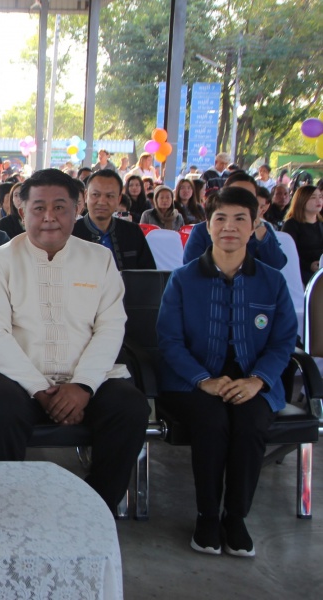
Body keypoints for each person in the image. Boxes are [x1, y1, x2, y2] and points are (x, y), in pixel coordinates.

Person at [0, 168, 149, 511]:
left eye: (60, 207)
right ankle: (5, 509)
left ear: (77, 209)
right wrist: (40, 389)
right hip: (13, 376)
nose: (49, 217)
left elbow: (111, 327)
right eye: (39, 208)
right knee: (3, 407)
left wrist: (82, 386)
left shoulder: (100, 259)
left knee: (130, 407)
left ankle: (96, 508)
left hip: (87, 376)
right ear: (22, 211)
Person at [157, 186, 297, 557]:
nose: (229, 227)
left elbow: (284, 341)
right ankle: (207, 515)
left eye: (239, 219)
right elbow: (169, 340)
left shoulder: (272, 280)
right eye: (220, 218)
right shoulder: (183, 278)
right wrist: (203, 380)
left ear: (254, 225)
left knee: (251, 423)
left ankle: (235, 517)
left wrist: (258, 380)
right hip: (192, 381)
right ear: (208, 225)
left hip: (254, 380)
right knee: (211, 421)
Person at [183, 174, 286, 269]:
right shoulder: (202, 230)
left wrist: (259, 229)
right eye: (235, 194)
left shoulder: (263, 229)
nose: (242, 200)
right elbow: (190, 268)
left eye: (249, 196)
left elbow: (277, 264)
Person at [72, 170, 157, 270]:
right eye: (95, 195)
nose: (102, 202)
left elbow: (149, 274)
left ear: (119, 199)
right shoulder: (71, 233)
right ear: (86, 196)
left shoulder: (133, 232)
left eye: (109, 196)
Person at [281, 185, 323, 284]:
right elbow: (287, 255)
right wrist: (308, 265)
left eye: (320, 197)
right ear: (302, 201)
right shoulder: (291, 225)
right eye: (313, 197)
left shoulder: (321, 223)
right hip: (301, 273)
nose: (319, 200)